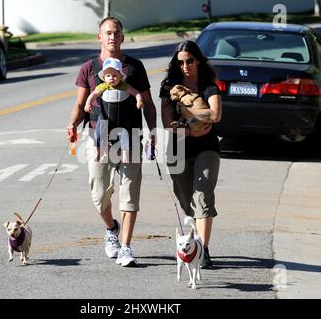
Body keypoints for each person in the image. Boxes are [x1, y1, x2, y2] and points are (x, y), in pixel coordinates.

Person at [67, 17, 156, 267]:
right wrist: (73, 124)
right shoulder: (88, 68)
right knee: (98, 194)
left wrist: (152, 131)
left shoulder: (135, 67)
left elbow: (147, 103)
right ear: (99, 37)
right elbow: (80, 103)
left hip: (131, 137)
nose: (112, 37)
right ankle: (111, 228)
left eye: (116, 33)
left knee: (129, 193)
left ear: (122, 37)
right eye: (107, 33)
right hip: (99, 137)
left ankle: (126, 246)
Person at [160, 40, 222, 269]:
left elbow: (215, 115)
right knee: (186, 199)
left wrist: (187, 111)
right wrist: (189, 128)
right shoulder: (169, 86)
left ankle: (203, 250)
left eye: (190, 61)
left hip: (207, 147)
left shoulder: (208, 85)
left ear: (198, 60)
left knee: (203, 196)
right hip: (178, 149)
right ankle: (195, 239)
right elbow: (167, 122)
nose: (185, 66)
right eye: (181, 62)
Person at [84, 56, 145, 163]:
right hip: (105, 117)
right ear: (104, 77)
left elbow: (136, 93)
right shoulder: (103, 87)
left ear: (121, 76)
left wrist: (139, 101)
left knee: (125, 134)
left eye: (114, 75)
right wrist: (88, 103)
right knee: (98, 133)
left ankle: (125, 155)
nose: (111, 78)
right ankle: (99, 153)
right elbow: (93, 95)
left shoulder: (124, 86)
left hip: (121, 118)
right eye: (108, 75)